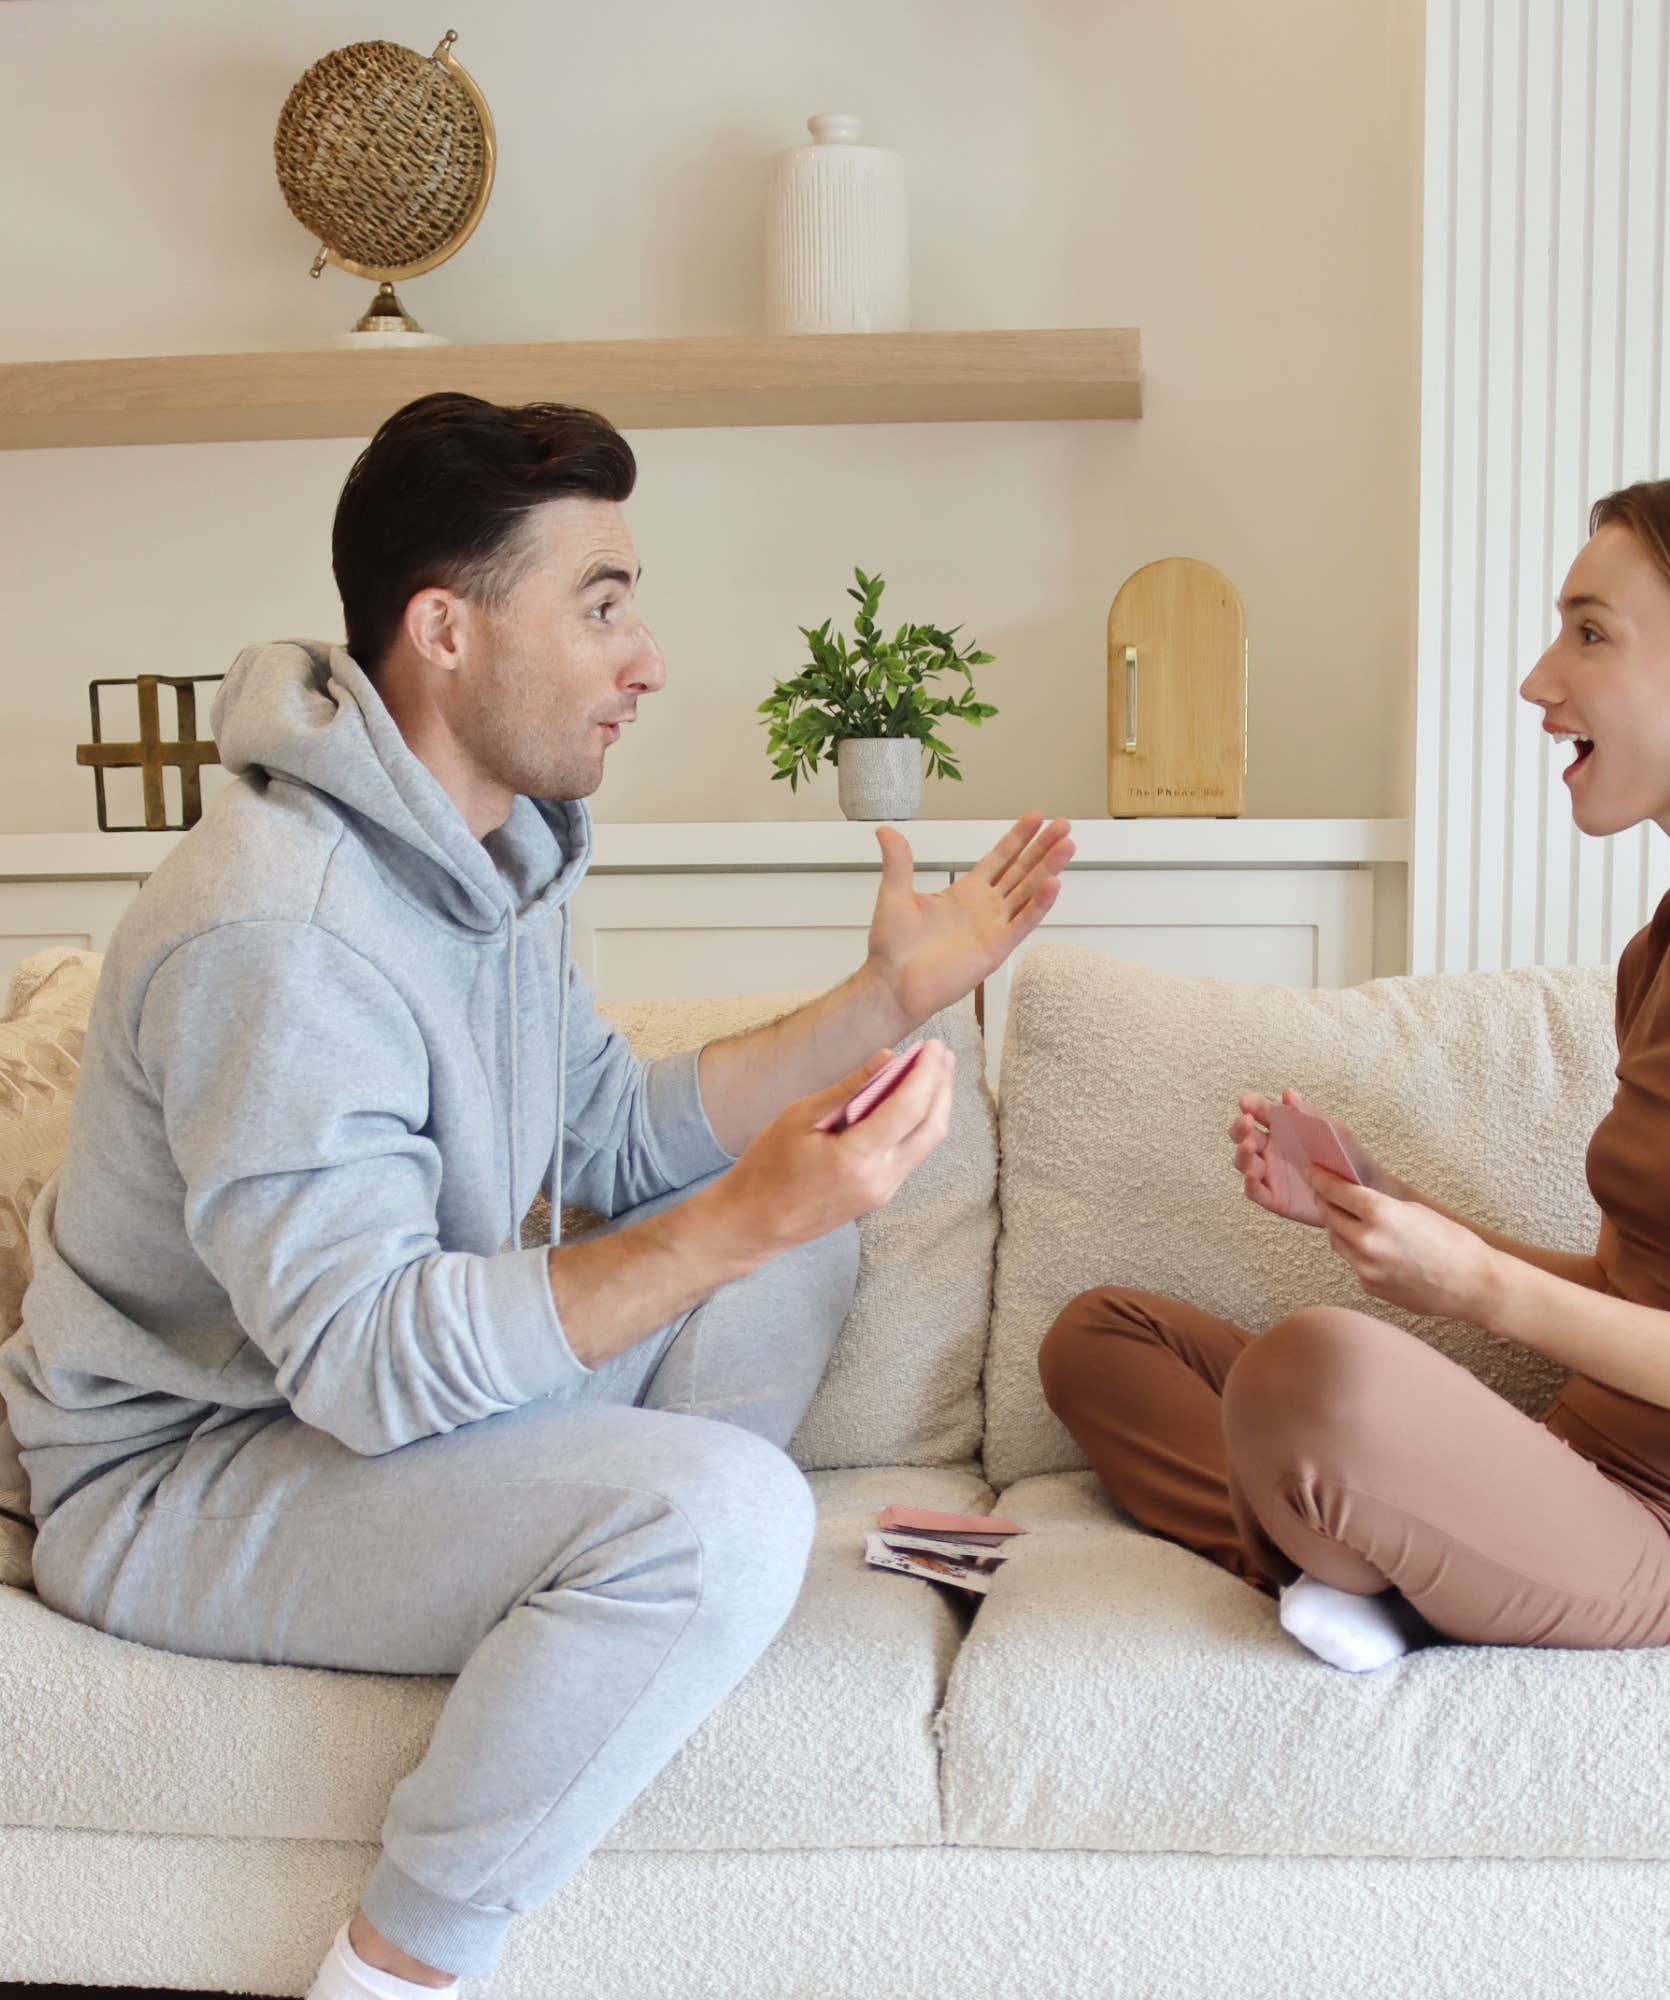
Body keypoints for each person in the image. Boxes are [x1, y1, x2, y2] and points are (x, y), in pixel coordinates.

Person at [0, 391, 1073, 1996]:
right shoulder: (279, 930)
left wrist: (879, 1005)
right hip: (186, 1474)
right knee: (724, 1509)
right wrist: (732, 1223)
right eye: (603, 604)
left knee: (796, 1266)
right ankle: (395, 1971)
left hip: (345, 1422)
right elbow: (366, 1366)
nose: (646, 663)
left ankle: (611, 1588)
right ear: (444, 627)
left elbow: (606, 1130)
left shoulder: (493, 852)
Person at [1041, 469, 1670, 1675]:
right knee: (1099, 1336)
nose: (1540, 679)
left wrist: (1475, 1284)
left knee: (1313, 1373)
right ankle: (1380, 1567)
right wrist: (1391, 1212)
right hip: (1572, 1466)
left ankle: (1371, 1561)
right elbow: (1643, 1294)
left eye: (1589, 633)